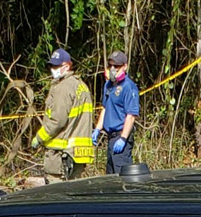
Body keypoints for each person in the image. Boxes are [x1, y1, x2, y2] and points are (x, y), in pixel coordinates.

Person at [31, 48, 94, 182]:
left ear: (67, 66)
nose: (52, 70)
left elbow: (57, 121)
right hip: (78, 154)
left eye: (56, 66)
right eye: (52, 66)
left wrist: (39, 138)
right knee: (74, 191)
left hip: (61, 154)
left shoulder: (63, 88)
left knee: (56, 191)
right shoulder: (81, 86)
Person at [92, 50, 140, 174]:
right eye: (110, 65)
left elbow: (131, 116)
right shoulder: (108, 85)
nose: (113, 69)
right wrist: (97, 129)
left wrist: (123, 138)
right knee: (110, 177)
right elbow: (105, 108)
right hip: (110, 137)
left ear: (124, 66)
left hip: (121, 137)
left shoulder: (129, 87)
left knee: (122, 176)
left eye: (116, 66)